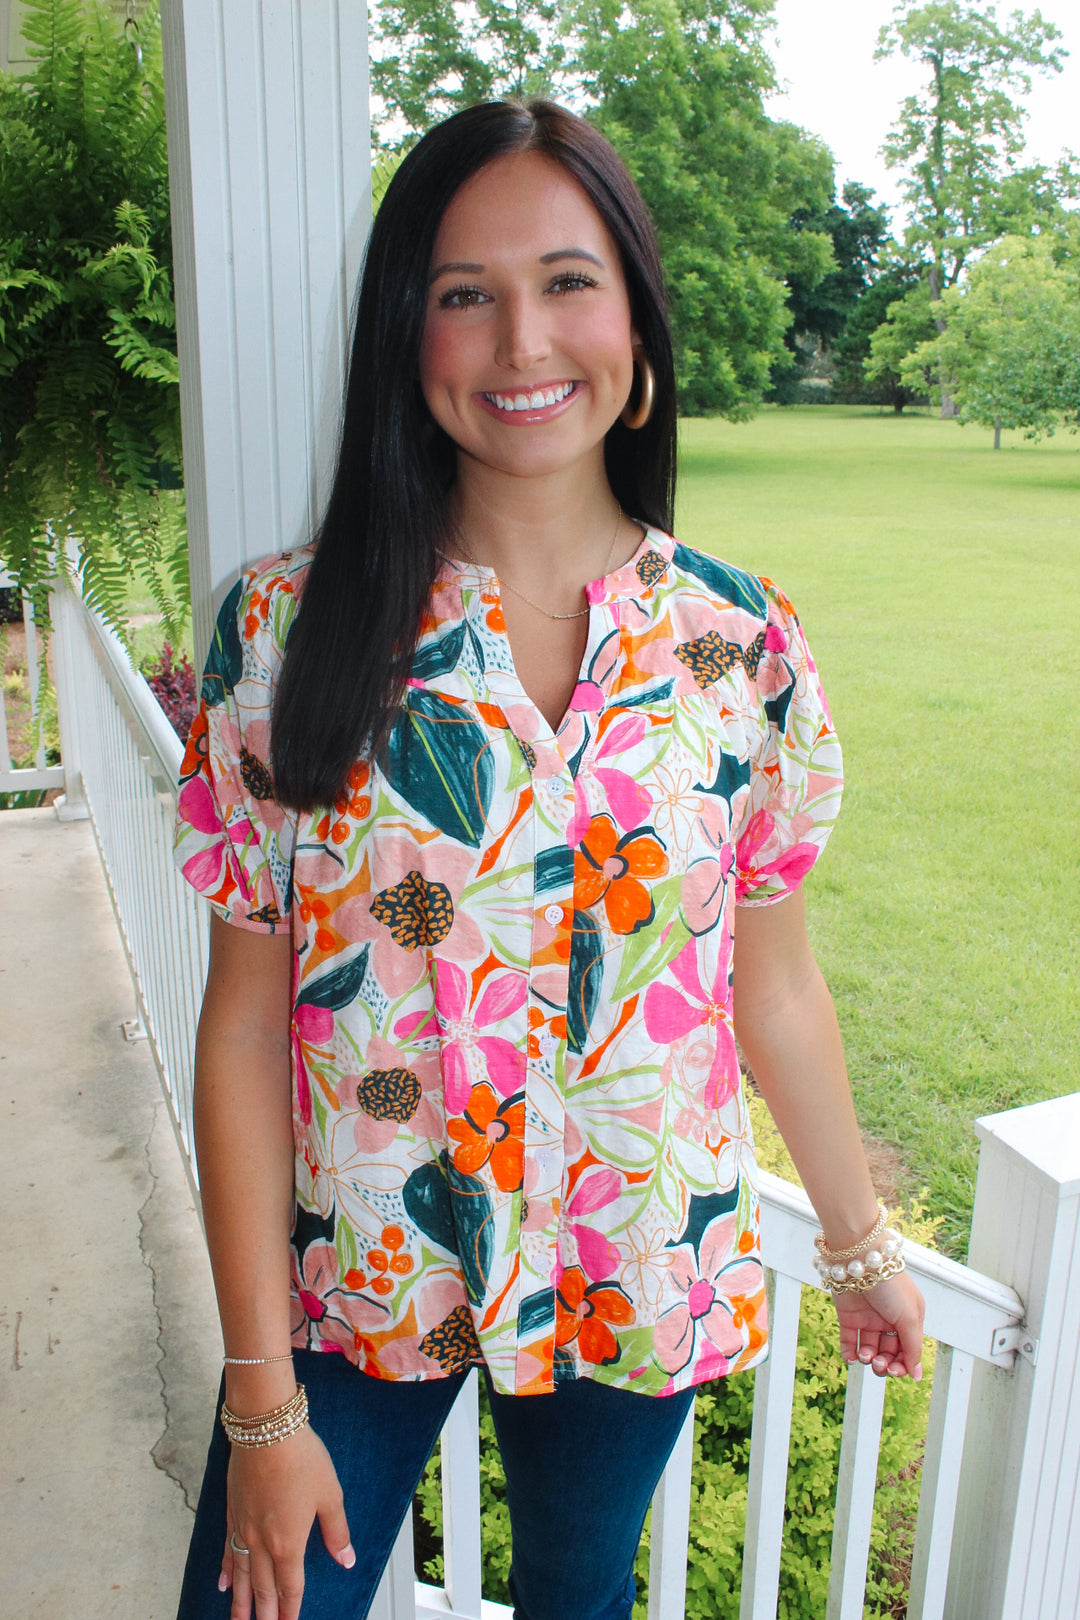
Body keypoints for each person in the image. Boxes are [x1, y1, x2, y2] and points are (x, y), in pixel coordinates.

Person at [173, 98, 925, 1620]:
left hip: (634, 1270)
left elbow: (769, 987)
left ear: (637, 325)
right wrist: (262, 1402)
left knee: (579, 1602)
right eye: (467, 294)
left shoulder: (743, 647)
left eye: (569, 282)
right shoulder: (282, 636)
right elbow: (247, 1023)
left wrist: (856, 1246)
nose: (524, 341)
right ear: (410, 334)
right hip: (357, 1286)